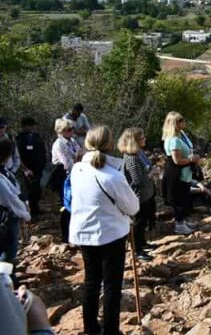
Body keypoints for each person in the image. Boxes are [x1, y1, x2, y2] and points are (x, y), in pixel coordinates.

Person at [69, 126, 139, 335]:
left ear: (88, 143)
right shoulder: (113, 176)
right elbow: (133, 207)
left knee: (91, 282)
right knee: (111, 286)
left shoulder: (77, 169)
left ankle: (90, 329)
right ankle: (110, 331)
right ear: (110, 145)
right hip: (111, 234)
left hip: (84, 233)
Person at [118, 128, 156, 261]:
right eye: (142, 138)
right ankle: (137, 250)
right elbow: (137, 180)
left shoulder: (139, 153)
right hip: (138, 196)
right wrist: (152, 173)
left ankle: (143, 243)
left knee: (144, 220)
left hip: (147, 194)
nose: (145, 139)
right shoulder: (131, 158)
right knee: (138, 222)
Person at [161, 112, 199, 235]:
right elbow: (176, 160)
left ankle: (182, 221)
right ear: (174, 123)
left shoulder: (181, 135)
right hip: (177, 174)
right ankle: (179, 224)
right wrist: (191, 160)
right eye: (180, 120)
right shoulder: (174, 140)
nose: (184, 122)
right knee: (179, 199)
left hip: (185, 172)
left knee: (184, 196)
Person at [0, 139, 32, 287]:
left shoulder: (5, 172)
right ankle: (7, 283)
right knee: (7, 252)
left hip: (10, 217)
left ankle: (9, 278)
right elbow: (10, 199)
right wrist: (25, 214)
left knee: (9, 252)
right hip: (5, 220)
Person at [50, 118, 81, 243]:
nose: (71, 132)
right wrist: (76, 158)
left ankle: (74, 233)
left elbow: (80, 152)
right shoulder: (59, 144)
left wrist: (76, 157)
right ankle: (65, 236)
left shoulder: (72, 141)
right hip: (62, 177)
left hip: (74, 175)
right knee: (66, 206)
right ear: (61, 131)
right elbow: (66, 163)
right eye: (68, 130)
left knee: (75, 204)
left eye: (72, 129)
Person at [16, 118, 47, 218]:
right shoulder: (20, 138)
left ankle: (36, 208)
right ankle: (30, 211)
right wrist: (25, 168)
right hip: (27, 167)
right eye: (30, 125)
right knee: (28, 189)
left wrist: (43, 163)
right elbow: (19, 154)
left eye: (33, 125)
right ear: (25, 126)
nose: (32, 127)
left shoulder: (36, 136)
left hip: (38, 167)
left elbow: (42, 150)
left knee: (37, 189)